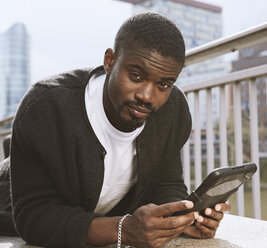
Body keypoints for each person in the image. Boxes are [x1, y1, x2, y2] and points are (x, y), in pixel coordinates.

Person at [0, 13, 230, 247]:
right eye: (136, 76)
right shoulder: (46, 104)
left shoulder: (173, 110)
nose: (146, 96)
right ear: (109, 61)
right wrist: (124, 230)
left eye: (163, 84)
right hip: (7, 200)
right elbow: (34, 218)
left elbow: (167, 183)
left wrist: (181, 217)